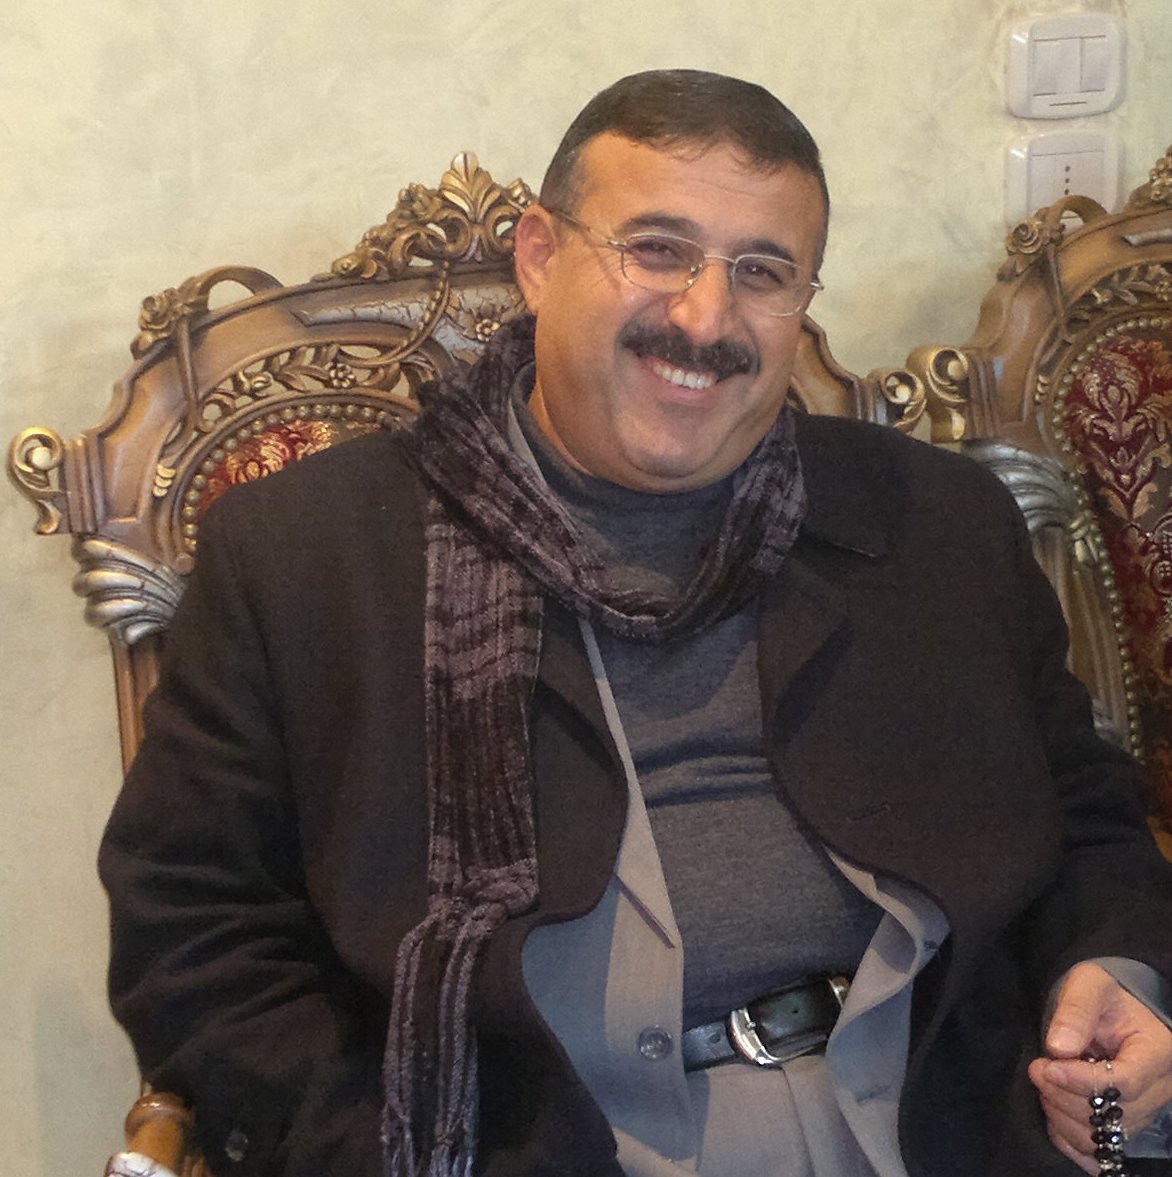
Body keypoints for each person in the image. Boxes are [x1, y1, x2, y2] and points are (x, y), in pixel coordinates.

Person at [99, 70, 1172, 1177]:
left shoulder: (933, 521)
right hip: (537, 1140)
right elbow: (194, 928)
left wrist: (1122, 974)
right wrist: (364, 1150)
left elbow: (1086, 816)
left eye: (761, 271)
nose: (705, 318)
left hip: (944, 1113)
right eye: (657, 250)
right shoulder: (306, 558)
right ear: (538, 256)